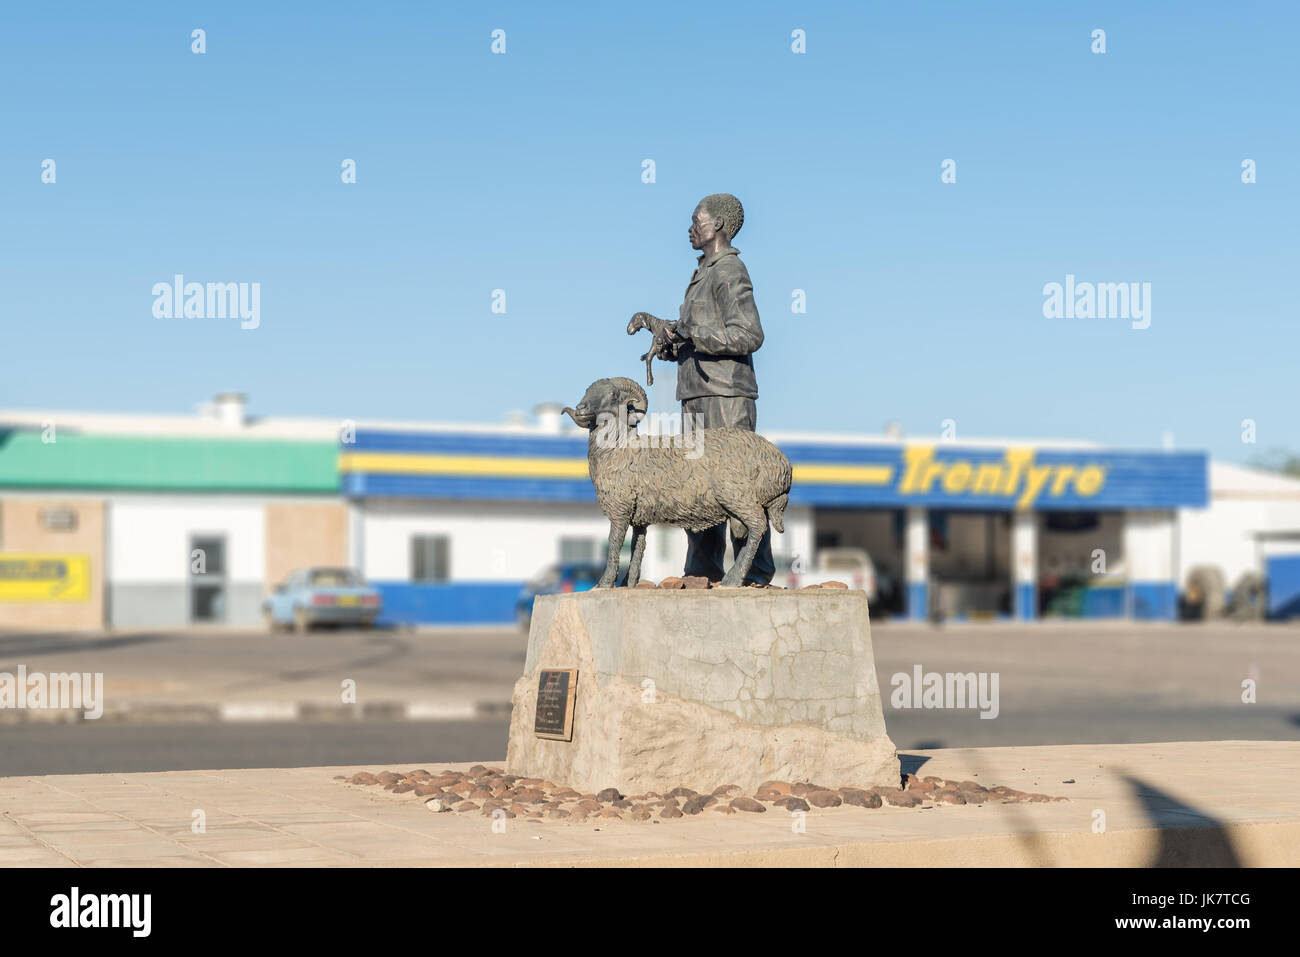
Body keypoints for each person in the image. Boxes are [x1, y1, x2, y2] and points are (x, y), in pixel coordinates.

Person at [631, 192, 775, 585]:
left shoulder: (730, 270)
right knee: (697, 485)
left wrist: (694, 332)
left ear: (720, 226)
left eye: (698, 220)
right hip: (695, 394)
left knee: (735, 482)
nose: (691, 228)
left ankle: (755, 572)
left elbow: (749, 334)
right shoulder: (702, 274)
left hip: (726, 395)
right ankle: (702, 568)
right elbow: (698, 336)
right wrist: (666, 335)